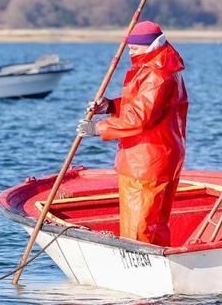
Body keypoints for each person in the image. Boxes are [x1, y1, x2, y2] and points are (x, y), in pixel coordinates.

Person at [77, 21, 188, 246]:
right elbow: (146, 107)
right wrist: (111, 106)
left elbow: (140, 118)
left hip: (144, 163)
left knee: (138, 229)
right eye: (129, 47)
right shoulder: (163, 68)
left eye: (134, 47)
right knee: (154, 224)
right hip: (159, 157)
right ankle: (158, 256)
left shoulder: (157, 74)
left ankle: (142, 262)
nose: (130, 51)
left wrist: (99, 128)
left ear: (150, 45)